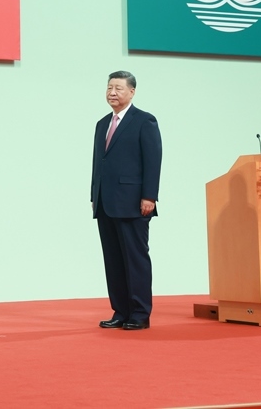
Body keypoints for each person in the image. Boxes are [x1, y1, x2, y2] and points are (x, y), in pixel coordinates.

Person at [90, 71, 162, 330]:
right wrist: (94, 194)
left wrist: (149, 196)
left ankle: (140, 314)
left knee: (135, 260)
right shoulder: (102, 124)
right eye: (109, 87)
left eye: (118, 88)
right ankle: (120, 311)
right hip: (105, 203)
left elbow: (153, 160)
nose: (112, 92)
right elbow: (99, 163)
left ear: (132, 92)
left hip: (133, 203)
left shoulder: (144, 121)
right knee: (113, 261)